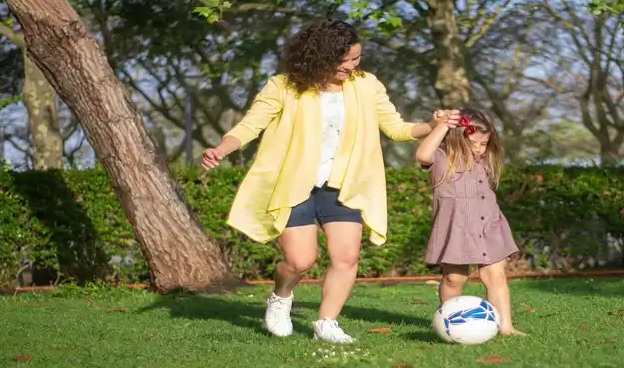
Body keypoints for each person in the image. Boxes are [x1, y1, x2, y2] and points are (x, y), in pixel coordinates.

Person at [201, 19, 459, 342]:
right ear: (320, 56)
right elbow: (250, 125)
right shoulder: (284, 86)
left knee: (346, 257)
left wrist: (434, 124)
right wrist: (221, 149)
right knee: (300, 260)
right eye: (345, 60)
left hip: (343, 184)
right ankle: (281, 296)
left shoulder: (366, 85)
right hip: (294, 184)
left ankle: (326, 322)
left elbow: (396, 127)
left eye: (356, 58)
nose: (352, 66)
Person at [415, 108, 525, 336]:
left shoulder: (484, 160)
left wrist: (483, 149)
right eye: (473, 143)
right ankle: (450, 324)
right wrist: (444, 125)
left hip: (489, 224)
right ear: (456, 138)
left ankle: (506, 327)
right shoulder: (442, 158)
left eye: (484, 144)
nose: (479, 148)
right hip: (457, 228)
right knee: (455, 278)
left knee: (495, 275)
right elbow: (422, 155)